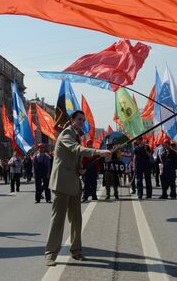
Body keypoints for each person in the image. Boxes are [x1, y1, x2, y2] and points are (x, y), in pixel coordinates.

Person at [45, 110, 110, 266]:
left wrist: (81, 168)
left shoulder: (77, 136)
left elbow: (75, 157)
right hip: (61, 184)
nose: (81, 122)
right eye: (79, 119)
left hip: (74, 182)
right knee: (58, 220)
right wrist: (98, 151)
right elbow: (76, 149)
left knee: (76, 220)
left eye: (83, 120)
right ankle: (50, 254)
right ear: (72, 120)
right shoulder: (67, 133)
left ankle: (76, 251)